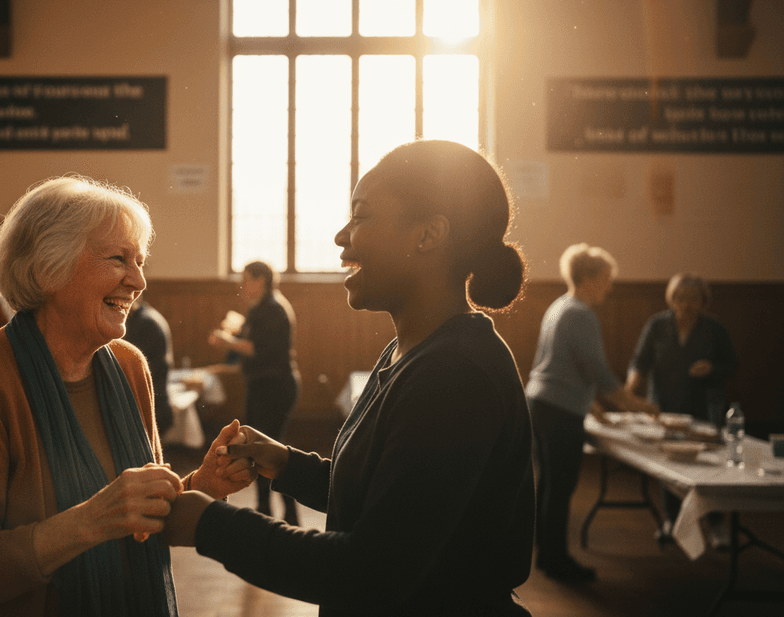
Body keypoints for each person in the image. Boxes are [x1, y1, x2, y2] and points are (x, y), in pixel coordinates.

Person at [164, 140, 537, 616]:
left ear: (428, 235)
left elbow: (371, 570)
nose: (342, 236)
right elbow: (391, 498)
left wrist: (209, 524)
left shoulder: (455, 374)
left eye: (361, 216)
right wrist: (286, 463)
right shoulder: (415, 350)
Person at [0, 175, 255, 617]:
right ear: (47, 269)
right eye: (118, 259)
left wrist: (202, 487)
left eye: (140, 261)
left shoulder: (130, 366)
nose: (139, 281)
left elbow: (139, 518)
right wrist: (90, 521)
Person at [524, 243, 659, 584]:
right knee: (560, 487)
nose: (609, 287)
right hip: (559, 410)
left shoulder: (559, 306)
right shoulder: (580, 314)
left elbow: (564, 367)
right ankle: (556, 561)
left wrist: (594, 408)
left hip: (541, 403)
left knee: (550, 485)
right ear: (588, 278)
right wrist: (641, 406)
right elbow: (598, 372)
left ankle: (545, 553)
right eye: (606, 278)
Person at [626, 272, 737, 538]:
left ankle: (716, 523)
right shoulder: (657, 325)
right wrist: (628, 394)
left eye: (694, 299)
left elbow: (731, 364)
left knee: (710, 465)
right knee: (671, 465)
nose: (687, 304)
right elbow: (640, 361)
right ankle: (673, 521)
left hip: (704, 407)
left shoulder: (714, 328)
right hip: (665, 406)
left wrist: (711, 368)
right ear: (672, 299)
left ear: (703, 301)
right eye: (681, 298)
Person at [207, 260, 301, 524]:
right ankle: (266, 510)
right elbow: (248, 348)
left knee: (269, 451)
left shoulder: (273, 308)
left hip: (276, 387)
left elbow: (257, 349)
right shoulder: (258, 307)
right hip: (261, 386)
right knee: (258, 449)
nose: (242, 285)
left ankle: (281, 513)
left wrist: (228, 341)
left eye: (246, 279)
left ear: (260, 281)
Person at [123, 298, 174, 434]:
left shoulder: (144, 323)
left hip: (149, 409)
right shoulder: (146, 316)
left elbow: (129, 371)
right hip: (152, 405)